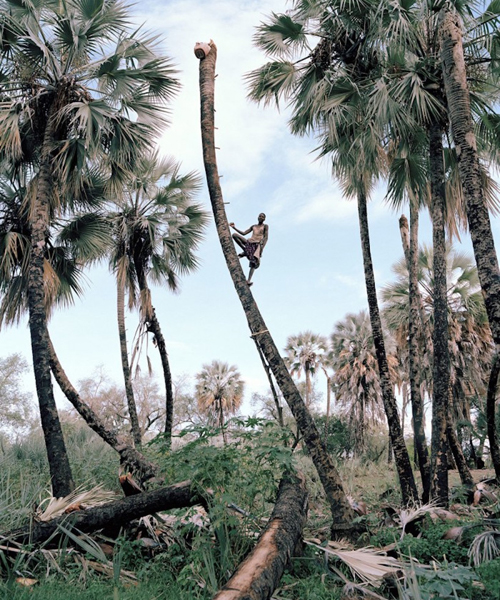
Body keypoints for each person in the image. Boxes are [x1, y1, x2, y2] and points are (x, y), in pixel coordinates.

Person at [229, 213, 268, 286]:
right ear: (257, 217)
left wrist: (262, 248)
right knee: (234, 235)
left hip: (256, 245)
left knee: (254, 263)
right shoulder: (253, 226)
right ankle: (245, 251)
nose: (260, 217)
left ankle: (249, 280)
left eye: (262, 217)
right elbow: (244, 233)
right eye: (260, 216)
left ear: (264, 219)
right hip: (249, 242)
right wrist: (234, 227)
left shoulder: (265, 226)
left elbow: (266, 238)